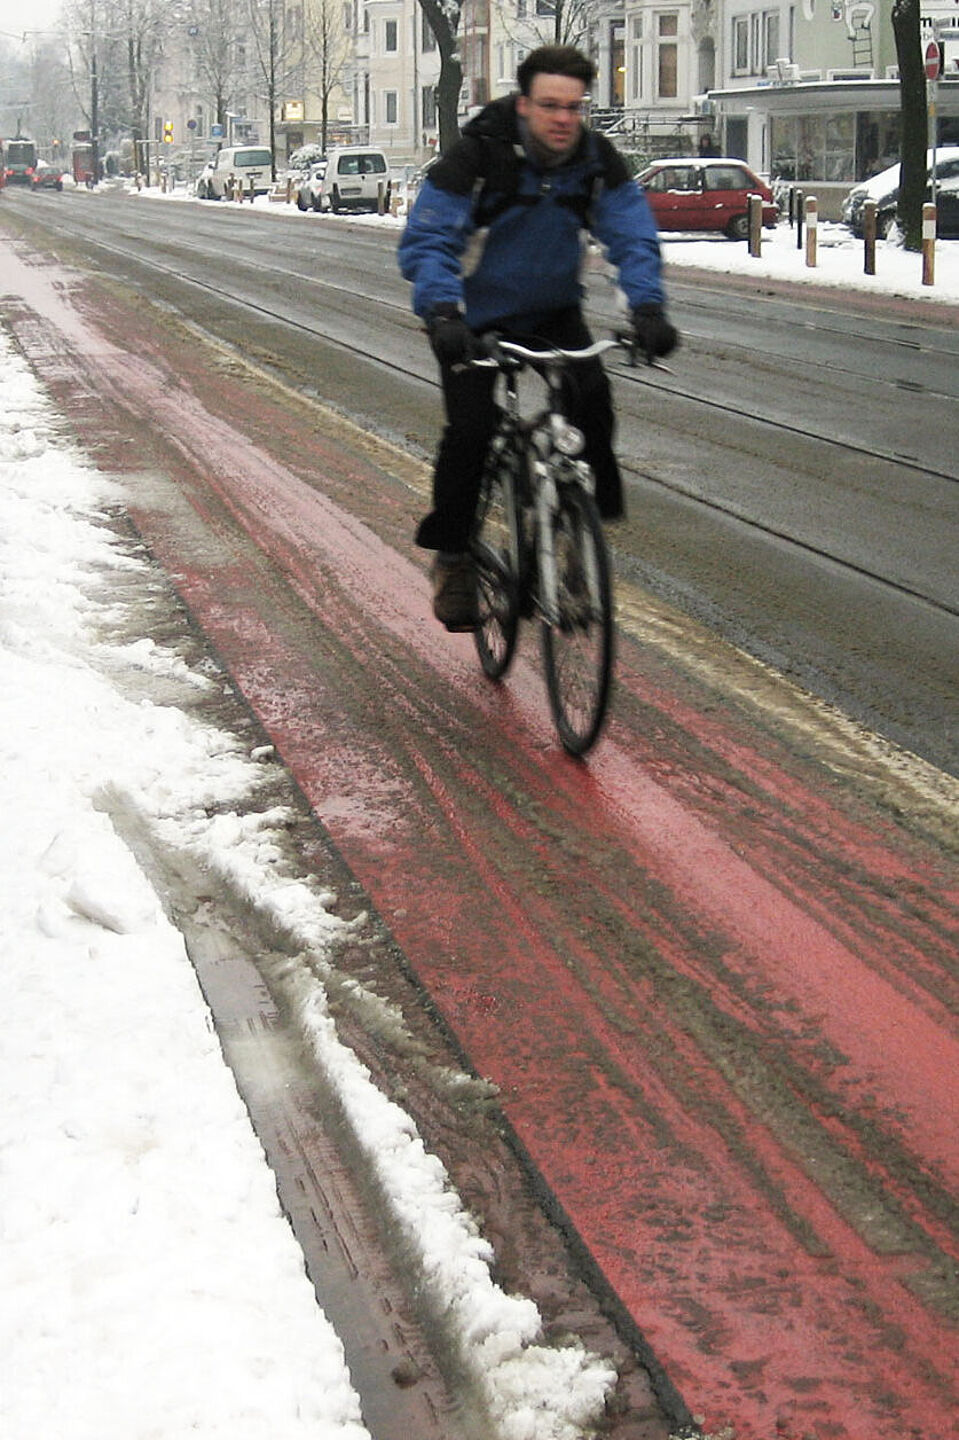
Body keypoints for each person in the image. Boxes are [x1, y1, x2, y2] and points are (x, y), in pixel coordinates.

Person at [398, 45, 679, 631]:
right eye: (549, 105)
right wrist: (443, 313)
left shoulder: (595, 160)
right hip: (470, 316)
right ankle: (454, 558)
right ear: (523, 104)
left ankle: (579, 534)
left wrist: (648, 307)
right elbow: (430, 240)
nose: (562, 119)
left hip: (552, 310)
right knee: (471, 433)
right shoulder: (479, 154)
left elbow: (632, 233)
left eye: (574, 107)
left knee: (593, 406)